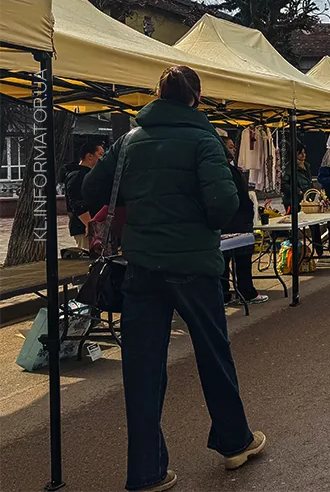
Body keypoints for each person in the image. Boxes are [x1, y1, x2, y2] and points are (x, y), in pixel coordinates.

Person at [83, 65, 265, 492]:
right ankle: (234, 443)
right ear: (195, 100)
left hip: (143, 268)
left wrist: (143, 202)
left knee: (142, 369)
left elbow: (92, 191)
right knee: (213, 355)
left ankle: (146, 472)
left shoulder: (129, 141)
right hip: (193, 268)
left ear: (157, 96)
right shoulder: (204, 140)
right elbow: (224, 204)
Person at [220, 134, 266, 305]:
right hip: (236, 221)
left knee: (226, 261)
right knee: (241, 259)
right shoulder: (226, 170)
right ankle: (246, 292)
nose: (234, 149)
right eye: (231, 147)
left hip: (229, 221)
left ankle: (225, 294)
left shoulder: (225, 168)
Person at [281, 143, 323, 256]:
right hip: (294, 201)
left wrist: (314, 193)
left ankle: (318, 248)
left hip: (307, 199)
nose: (303, 155)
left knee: (315, 224)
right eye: (301, 153)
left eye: (304, 153)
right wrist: (297, 191)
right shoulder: (290, 167)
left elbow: (309, 182)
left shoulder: (307, 166)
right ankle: (295, 251)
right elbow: (284, 184)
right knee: (295, 225)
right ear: (295, 154)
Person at [63, 140, 104, 251]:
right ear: (89, 156)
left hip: (91, 226)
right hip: (84, 228)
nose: (103, 159)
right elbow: (76, 202)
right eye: (100, 155)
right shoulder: (79, 175)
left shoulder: (87, 174)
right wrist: (89, 225)